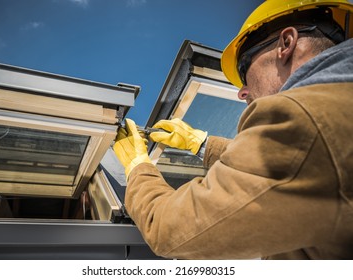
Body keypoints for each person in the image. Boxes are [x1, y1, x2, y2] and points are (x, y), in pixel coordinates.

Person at [113, 0, 353, 259]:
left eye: (244, 68)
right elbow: (292, 167)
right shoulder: (335, 109)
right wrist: (200, 143)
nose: (242, 92)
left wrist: (138, 167)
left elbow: (171, 230)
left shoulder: (304, 118)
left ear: (286, 44)